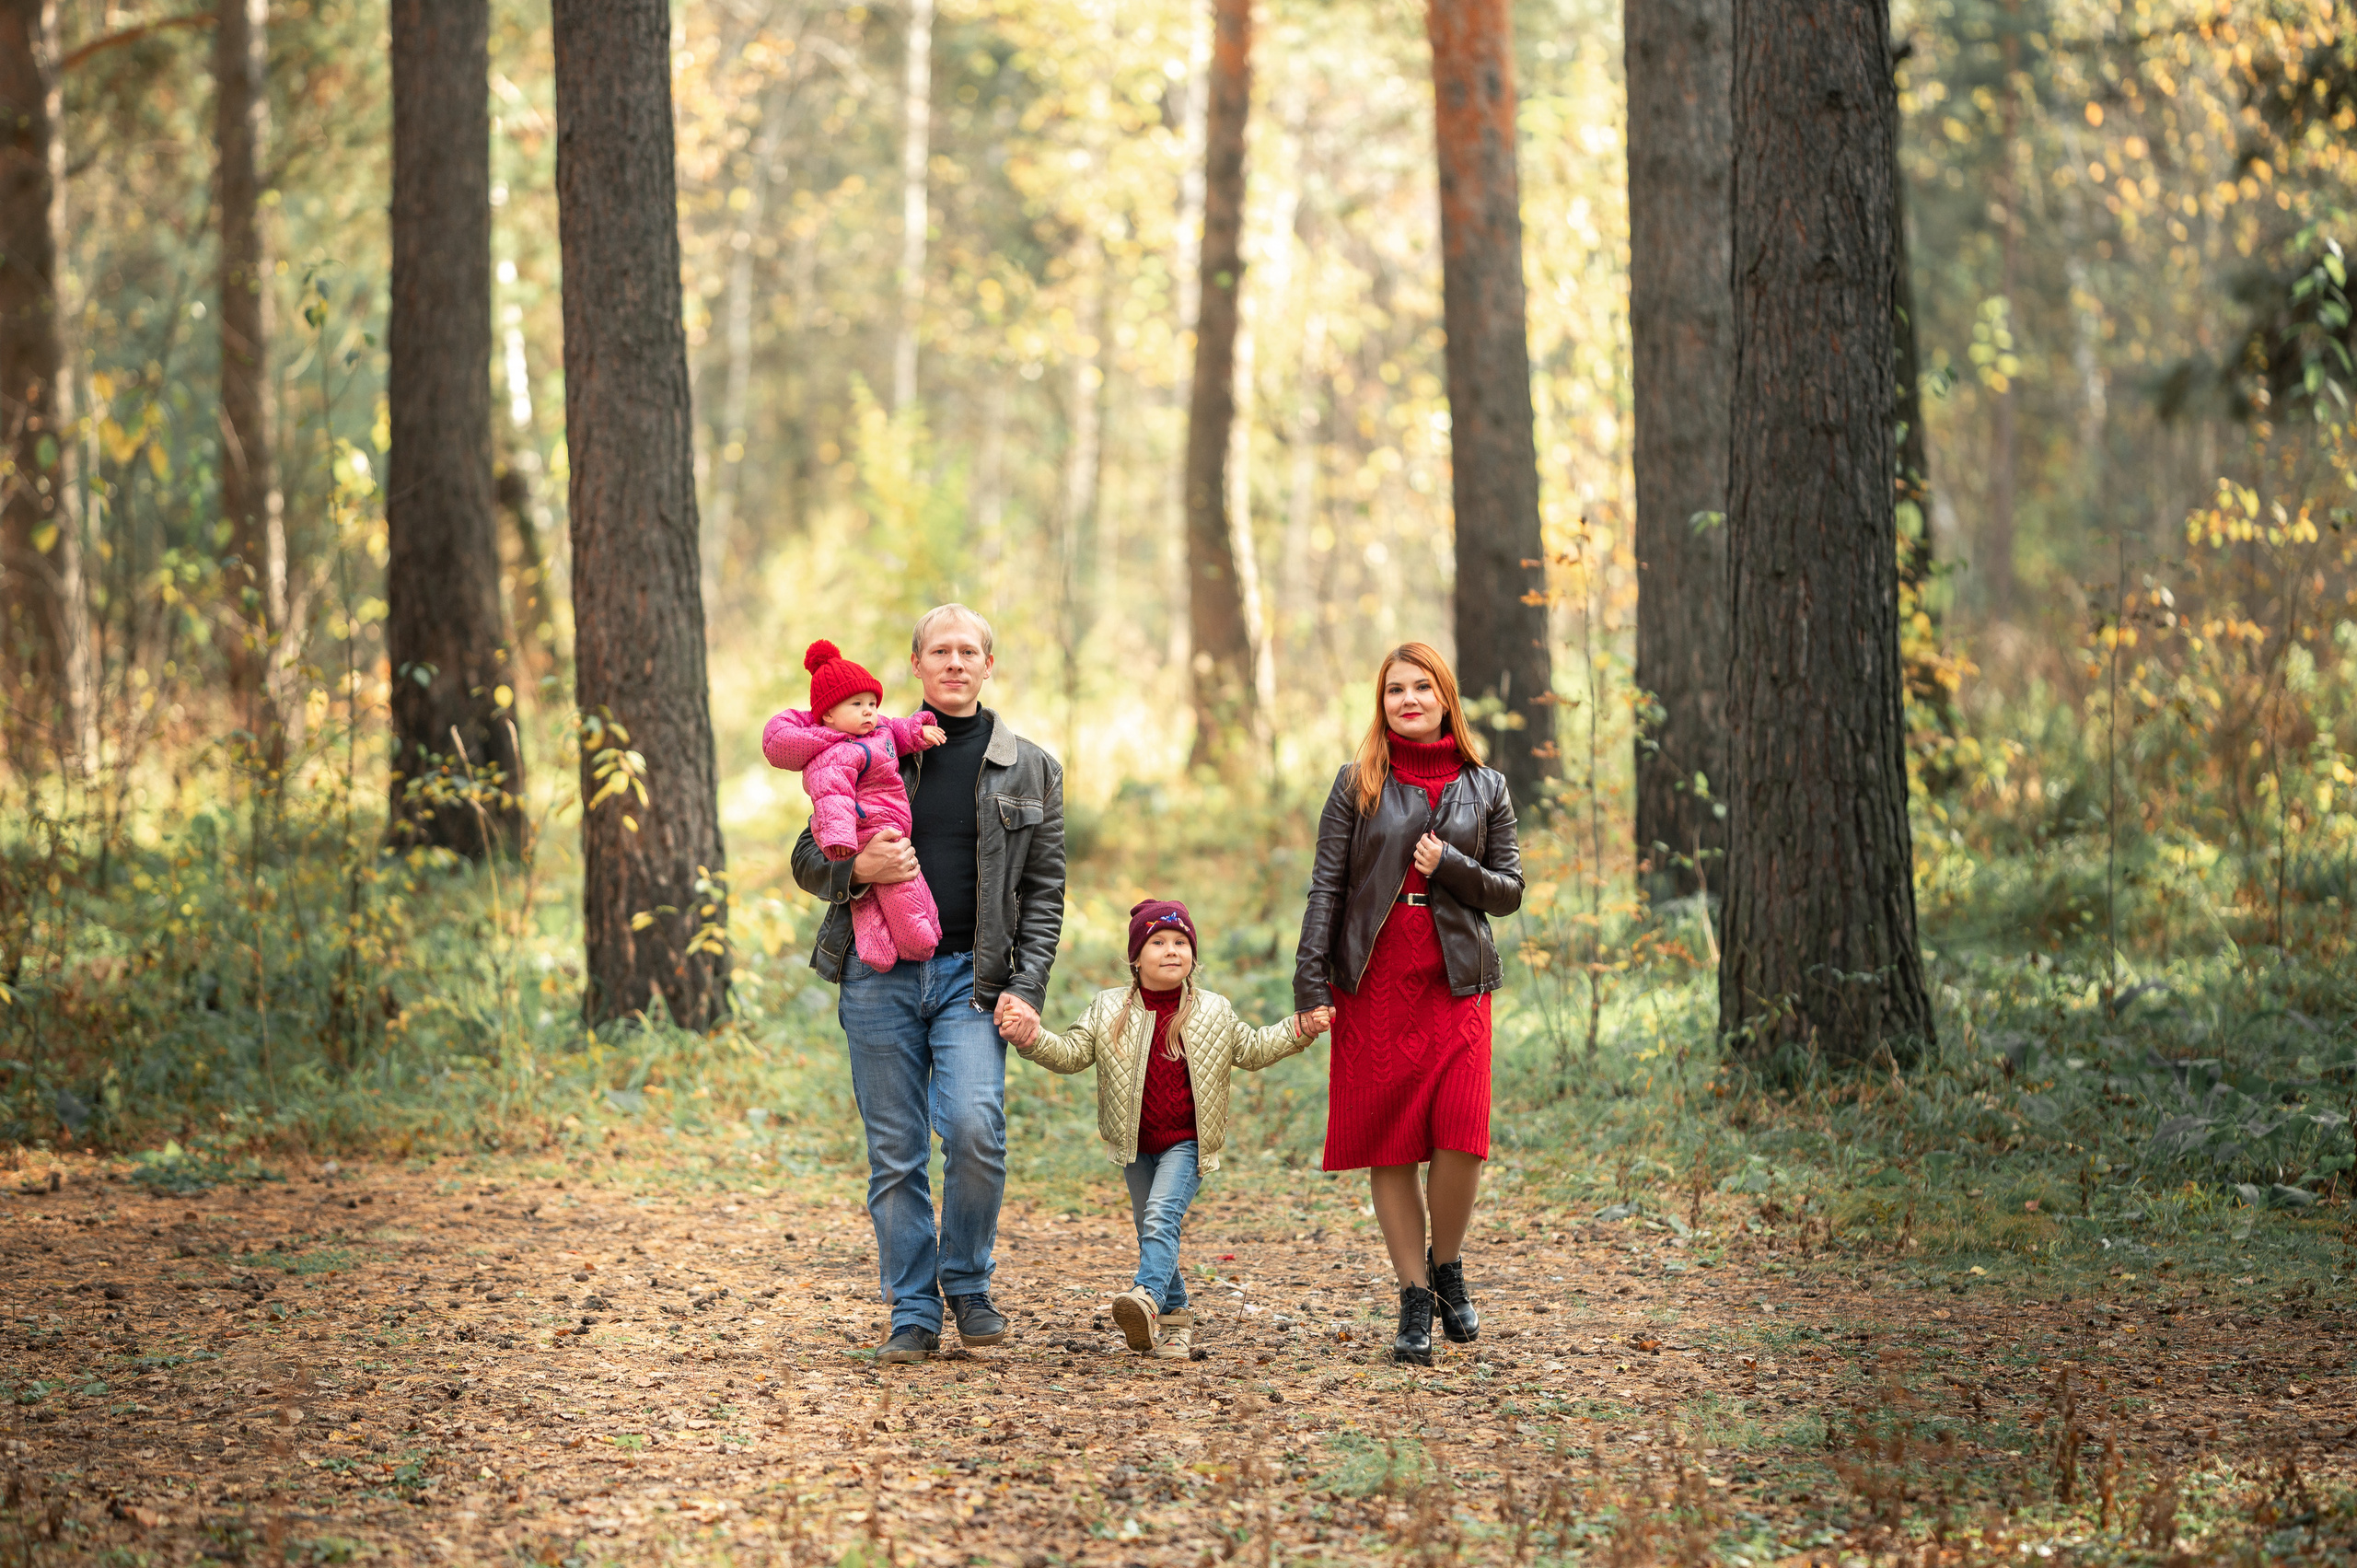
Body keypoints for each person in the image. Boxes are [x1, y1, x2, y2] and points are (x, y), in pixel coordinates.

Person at [791, 605, 1065, 1365]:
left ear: (988, 665)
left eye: (968, 651)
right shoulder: (868, 744)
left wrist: (1028, 987)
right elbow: (807, 858)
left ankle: (967, 1284)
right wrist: (857, 869)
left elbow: (1045, 892)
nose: (954, 662)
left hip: (971, 979)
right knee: (896, 1151)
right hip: (877, 974)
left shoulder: (1031, 767)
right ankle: (913, 1309)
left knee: (976, 1129)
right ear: (915, 664)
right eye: (939, 650)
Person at [1291, 642, 1523, 1366]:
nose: (1410, 699)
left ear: (1446, 697)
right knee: (1389, 1140)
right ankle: (1415, 1295)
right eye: (1396, 689)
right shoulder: (1357, 781)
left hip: (1456, 981)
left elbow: (1509, 891)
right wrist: (1310, 985)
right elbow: (1327, 887)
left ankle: (1447, 1264)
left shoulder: (1487, 786)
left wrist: (1449, 864)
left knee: (1462, 1135)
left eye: (1423, 686)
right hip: (1375, 980)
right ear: (1382, 702)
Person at [1002, 900, 1330, 1359]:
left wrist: (1300, 1028)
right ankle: (1176, 1322)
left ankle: (1147, 1299)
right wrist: (1032, 1037)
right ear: (1136, 957)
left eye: (1180, 942)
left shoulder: (1213, 1010)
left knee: (1160, 1217)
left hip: (1188, 1143)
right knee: (1152, 1229)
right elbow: (1072, 1054)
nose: (1171, 950)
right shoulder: (1108, 1008)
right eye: (1157, 942)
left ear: (1193, 954)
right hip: (1135, 1143)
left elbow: (1253, 1049)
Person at [761, 639, 946, 970]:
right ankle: (919, 942)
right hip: (864, 832)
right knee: (900, 888)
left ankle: (879, 952)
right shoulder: (834, 754)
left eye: (872, 703)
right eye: (857, 704)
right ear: (829, 714)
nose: (868, 711)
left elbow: (898, 730)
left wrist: (920, 730)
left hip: (885, 824)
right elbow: (831, 797)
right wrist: (842, 842)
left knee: (873, 899)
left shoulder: (878, 731)